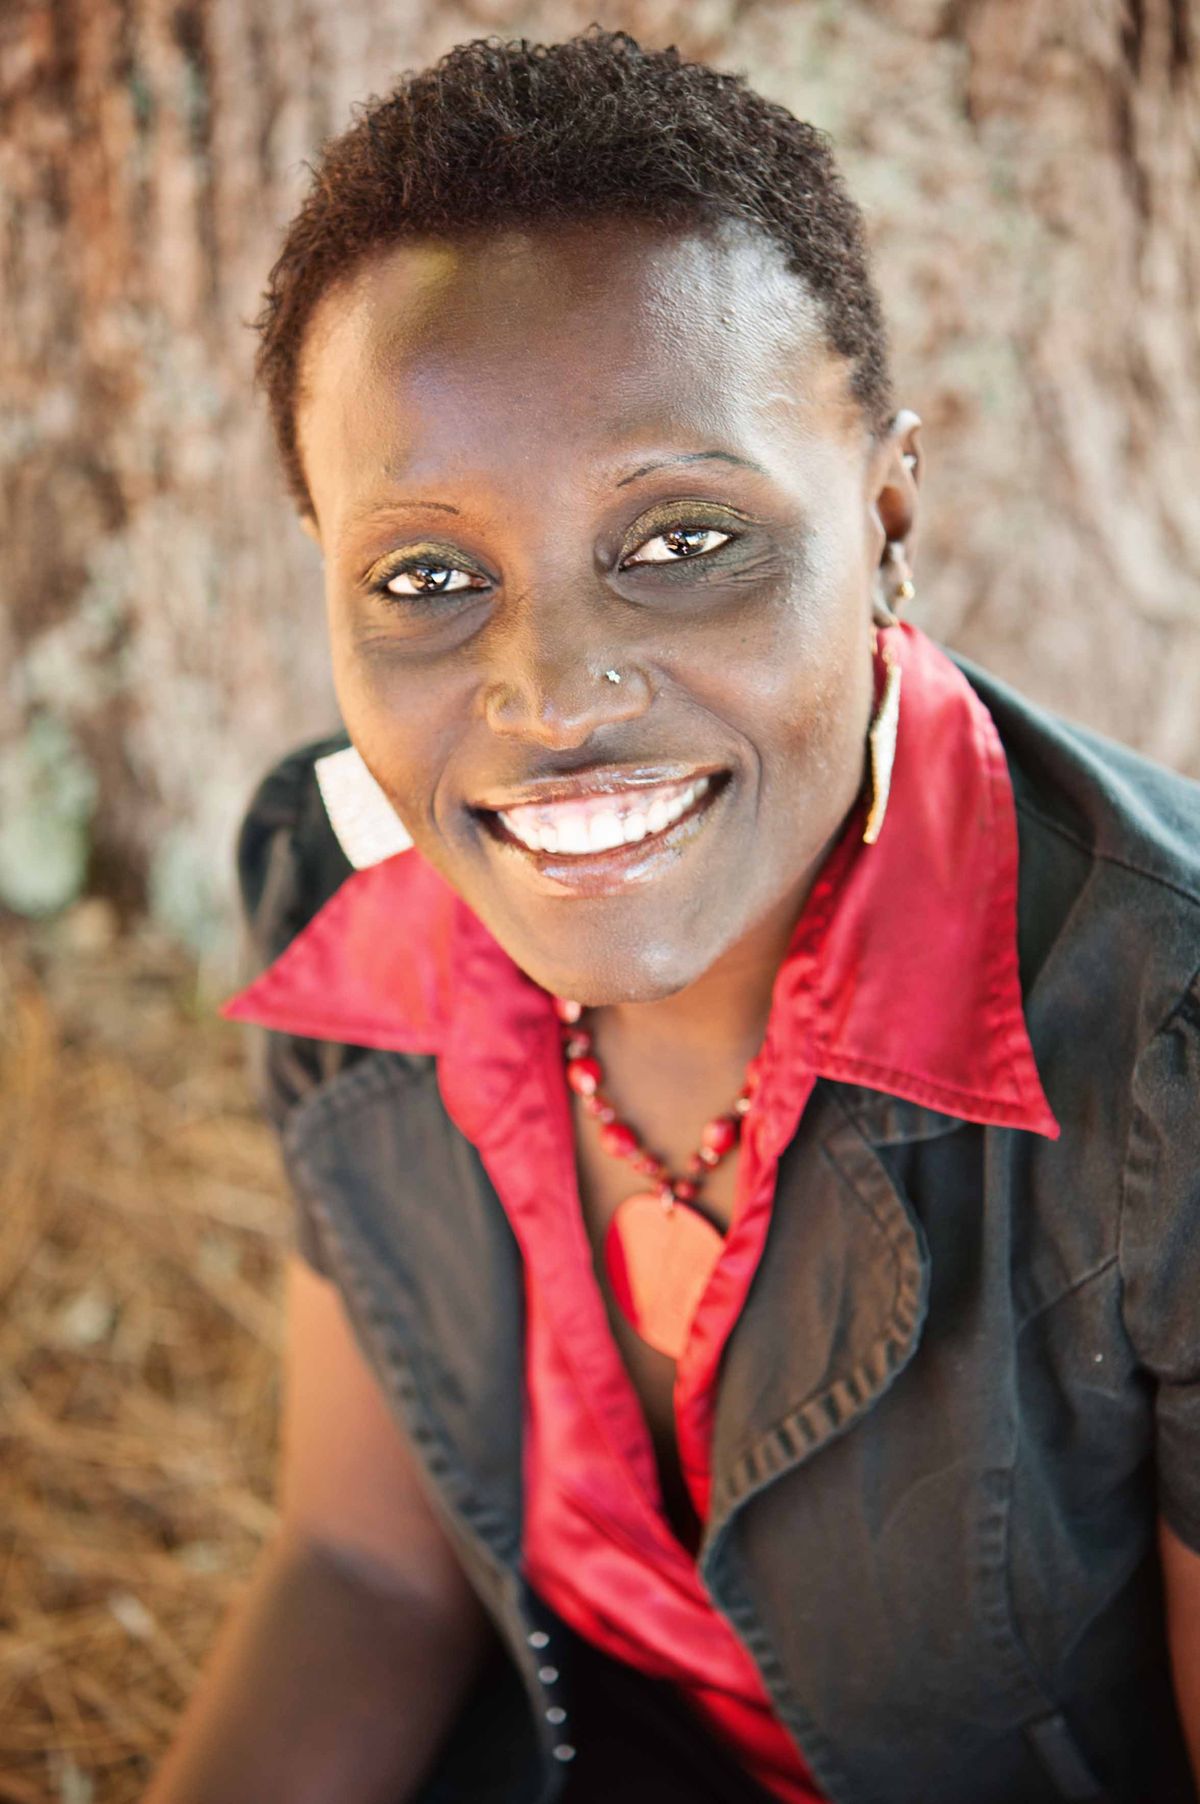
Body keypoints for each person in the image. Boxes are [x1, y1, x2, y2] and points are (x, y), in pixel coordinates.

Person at [142, 26, 1200, 1804]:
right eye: (425, 576)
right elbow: (365, 1568)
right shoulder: (345, 900)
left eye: (682, 538)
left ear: (885, 507)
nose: (553, 695)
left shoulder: (1165, 1053)